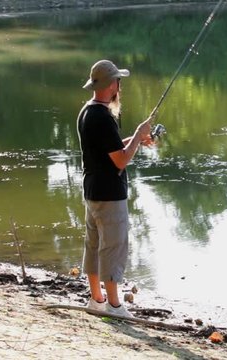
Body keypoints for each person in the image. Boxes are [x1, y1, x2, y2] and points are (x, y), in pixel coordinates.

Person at [76, 59, 154, 318]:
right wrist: (140, 131)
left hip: (92, 191)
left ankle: (96, 300)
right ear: (112, 84)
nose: (120, 86)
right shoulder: (103, 117)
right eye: (118, 81)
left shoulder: (88, 111)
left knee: (94, 245)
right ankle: (115, 306)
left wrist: (135, 139)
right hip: (110, 194)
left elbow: (110, 148)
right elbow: (120, 159)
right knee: (113, 247)